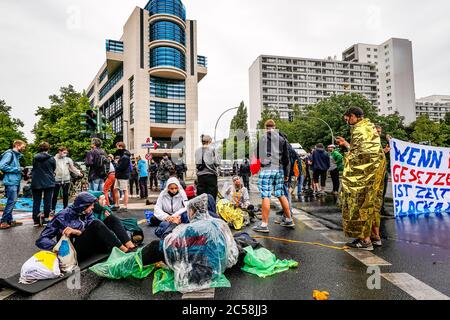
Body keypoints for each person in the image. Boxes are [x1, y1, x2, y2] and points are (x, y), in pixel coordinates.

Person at [141, 194, 238, 293]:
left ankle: (134, 261)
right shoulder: (219, 223)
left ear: (192, 211)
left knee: (155, 246)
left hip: (200, 270)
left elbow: (168, 245)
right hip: (219, 264)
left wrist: (174, 225)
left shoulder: (192, 228)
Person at [336, 107, 386, 251]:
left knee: (359, 203)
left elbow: (359, 155)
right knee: (373, 203)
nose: (347, 122)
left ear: (352, 116)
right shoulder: (369, 127)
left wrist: (347, 161)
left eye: (347, 119)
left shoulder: (359, 130)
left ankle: (365, 241)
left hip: (364, 174)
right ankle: (375, 237)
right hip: (377, 172)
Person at [36, 192, 134, 262]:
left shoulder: (87, 213)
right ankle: (125, 252)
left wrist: (77, 232)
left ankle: (131, 247)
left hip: (90, 246)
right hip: (74, 251)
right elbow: (42, 239)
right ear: (83, 206)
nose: (92, 207)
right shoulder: (62, 215)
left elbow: (90, 230)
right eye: (90, 205)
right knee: (96, 223)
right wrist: (58, 248)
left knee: (112, 219)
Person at [252, 120, 294, 233]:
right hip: (279, 169)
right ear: (275, 127)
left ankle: (264, 224)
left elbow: (256, 154)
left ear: (266, 127)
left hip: (267, 169)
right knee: (281, 194)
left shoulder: (262, 138)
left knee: (265, 195)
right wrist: (286, 173)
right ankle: (289, 219)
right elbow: (286, 158)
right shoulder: (282, 139)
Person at [0, 140, 27, 230]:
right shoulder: (9, 154)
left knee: (12, 201)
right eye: (23, 146)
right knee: (12, 201)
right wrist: (17, 169)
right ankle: (3, 221)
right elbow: (2, 166)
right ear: (17, 145)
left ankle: (9, 220)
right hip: (11, 181)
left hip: (14, 181)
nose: (24, 148)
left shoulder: (16, 155)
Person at [31, 142, 57, 227]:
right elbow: (53, 169)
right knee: (47, 201)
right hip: (48, 181)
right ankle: (46, 219)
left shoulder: (35, 158)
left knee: (36, 202)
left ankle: (36, 220)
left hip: (36, 182)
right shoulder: (52, 158)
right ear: (48, 148)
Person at [52, 147, 83, 213]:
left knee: (66, 194)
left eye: (66, 153)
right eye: (64, 152)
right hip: (56, 179)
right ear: (59, 151)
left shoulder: (68, 159)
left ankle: (65, 208)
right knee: (55, 195)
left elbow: (72, 168)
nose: (65, 154)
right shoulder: (54, 159)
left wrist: (78, 173)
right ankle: (53, 209)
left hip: (66, 179)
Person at [195, 135, 220, 200]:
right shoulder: (213, 149)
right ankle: (211, 209)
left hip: (200, 177)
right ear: (209, 141)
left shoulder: (197, 150)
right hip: (211, 176)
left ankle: (202, 210)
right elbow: (217, 163)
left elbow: (197, 164)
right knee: (211, 197)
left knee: (201, 198)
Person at [376, 125, 392, 217]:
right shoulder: (369, 142)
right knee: (375, 192)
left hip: (383, 170)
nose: (379, 133)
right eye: (377, 131)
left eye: (380, 131)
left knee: (383, 192)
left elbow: (388, 151)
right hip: (374, 172)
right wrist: (384, 151)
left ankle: (381, 209)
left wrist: (390, 141)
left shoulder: (380, 142)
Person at [112, 142, 131, 212]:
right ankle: (117, 205)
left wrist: (117, 163)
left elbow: (122, 167)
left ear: (120, 146)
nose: (116, 148)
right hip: (119, 175)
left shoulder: (125, 156)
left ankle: (125, 206)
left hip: (123, 176)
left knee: (124, 190)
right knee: (115, 189)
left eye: (117, 146)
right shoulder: (123, 155)